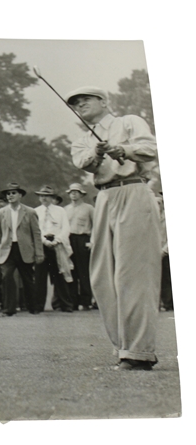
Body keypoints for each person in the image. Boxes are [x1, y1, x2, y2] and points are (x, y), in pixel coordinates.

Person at [67, 86, 160, 370]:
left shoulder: (129, 121)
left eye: (86, 100)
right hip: (105, 196)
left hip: (133, 190)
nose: (80, 105)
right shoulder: (82, 139)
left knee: (132, 272)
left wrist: (123, 149)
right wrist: (97, 151)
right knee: (101, 275)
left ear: (104, 101)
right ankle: (124, 346)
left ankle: (138, 351)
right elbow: (85, 163)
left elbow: (151, 149)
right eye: (75, 103)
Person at [0, 182, 44, 317]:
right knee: (7, 278)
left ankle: (33, 307)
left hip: (25, 249)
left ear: (20, 195)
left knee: (28, 279)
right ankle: (9, 309)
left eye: (13, 193)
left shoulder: (30, 212)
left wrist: (39, 252)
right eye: (8, 194)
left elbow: (36, 234)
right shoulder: (1, 213)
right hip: (7, 250)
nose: (10, 196)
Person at [33, 185, 74, 313]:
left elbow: (66, 228)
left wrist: (57, 240)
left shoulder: (60, 211)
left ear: (52, 198)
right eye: (42, 196)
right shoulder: (35, 211)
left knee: (60, 274)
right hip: (42, 244)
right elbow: (35, 230)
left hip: (57, 243)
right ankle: (38, 305)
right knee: (40, 276)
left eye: (47, 196)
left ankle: (65, 305)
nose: (44, 198)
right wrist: (44, 241)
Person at [63, 183, 94, 310]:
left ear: (82, 194)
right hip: (69, 239)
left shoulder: (89, 208)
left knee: (84, 271)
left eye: (76, 192)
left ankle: (86, 301)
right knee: (71, 270)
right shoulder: (65, 209)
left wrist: (92, 241)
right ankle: (73, 300)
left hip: (83, 239)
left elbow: (96, 225)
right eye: (71, 192)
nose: (74, 194)